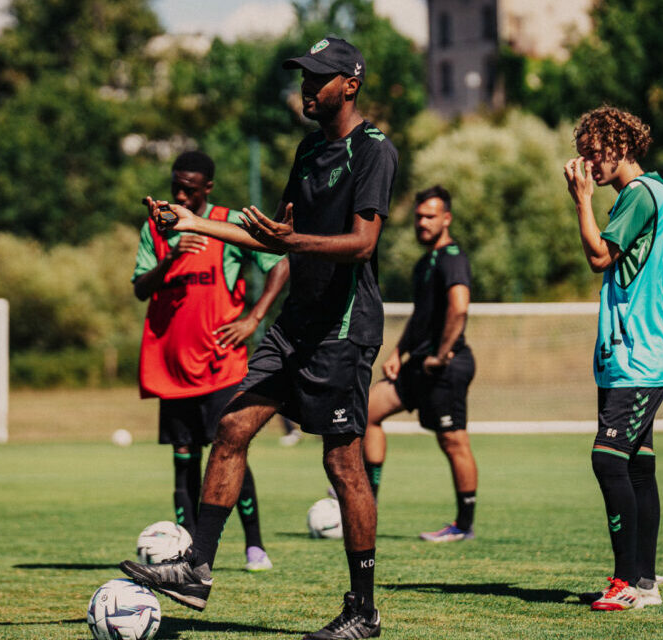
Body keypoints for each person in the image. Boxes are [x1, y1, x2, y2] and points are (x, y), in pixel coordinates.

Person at [120, 36, 397, 640]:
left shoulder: (373, 151)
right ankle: (197, 570)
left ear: (350, 84)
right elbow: (277, 239)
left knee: (342, 463)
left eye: (319, 78)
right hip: (295, 325)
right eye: (303, 76)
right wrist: (196, 223)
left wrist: (292, 244)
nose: (306, 87)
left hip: (343, 330)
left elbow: (363, 244)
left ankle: (364, 610)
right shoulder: (306, 151)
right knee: (233, 427)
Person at [133, 150, 290, 572]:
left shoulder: (230, 221)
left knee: (230, 447)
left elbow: (280, 265)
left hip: (221, 363)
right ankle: (186, 552)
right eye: (175, 185)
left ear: (208, 188)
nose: (180, 193)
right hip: (172, 367)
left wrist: (254, 318)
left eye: (189, 187)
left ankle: (254, 545)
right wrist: (171, 255)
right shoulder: (157, 226)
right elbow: (139, 289)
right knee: (183, 457)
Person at [563, 105, 663, 611]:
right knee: (636, 469)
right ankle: (644, 583)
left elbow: (597, 257)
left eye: (597, 148)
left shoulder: (636, 195)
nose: (589, 159)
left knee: (606, 459)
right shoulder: (660, 191)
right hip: (633, 355)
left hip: (640, 357)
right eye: (584, 149)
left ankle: (624, 582)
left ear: (624, 145)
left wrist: (582, 201)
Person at [363, 185, 478, 543]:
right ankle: (366, 505)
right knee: (367, 412)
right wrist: (398, 352)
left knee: (452, 442)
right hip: (418, 365)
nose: (423, 223)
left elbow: (459, 307)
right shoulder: (425, 262)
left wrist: (442, 354)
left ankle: (463, 525)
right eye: (418, 217)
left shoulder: (452, 258)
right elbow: (421, 316)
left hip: (446, 367)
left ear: (447, 218)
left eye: (430, 216)